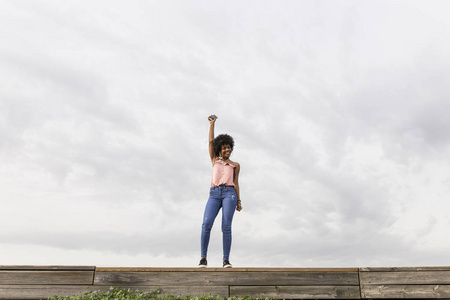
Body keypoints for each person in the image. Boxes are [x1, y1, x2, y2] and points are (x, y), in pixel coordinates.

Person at [199, 115, 242, 268]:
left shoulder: (235, 165)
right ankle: (203, 258)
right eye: (224, 148)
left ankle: (226, 260)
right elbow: (210, 141)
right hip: (214, 194)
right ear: (220, 149)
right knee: (206, 223)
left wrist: (238, 201)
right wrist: (212, 125)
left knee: (226, 226)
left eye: (228, 147)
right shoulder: (214, 160)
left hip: (229, 194)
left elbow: (236, 183)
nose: (227, 150)